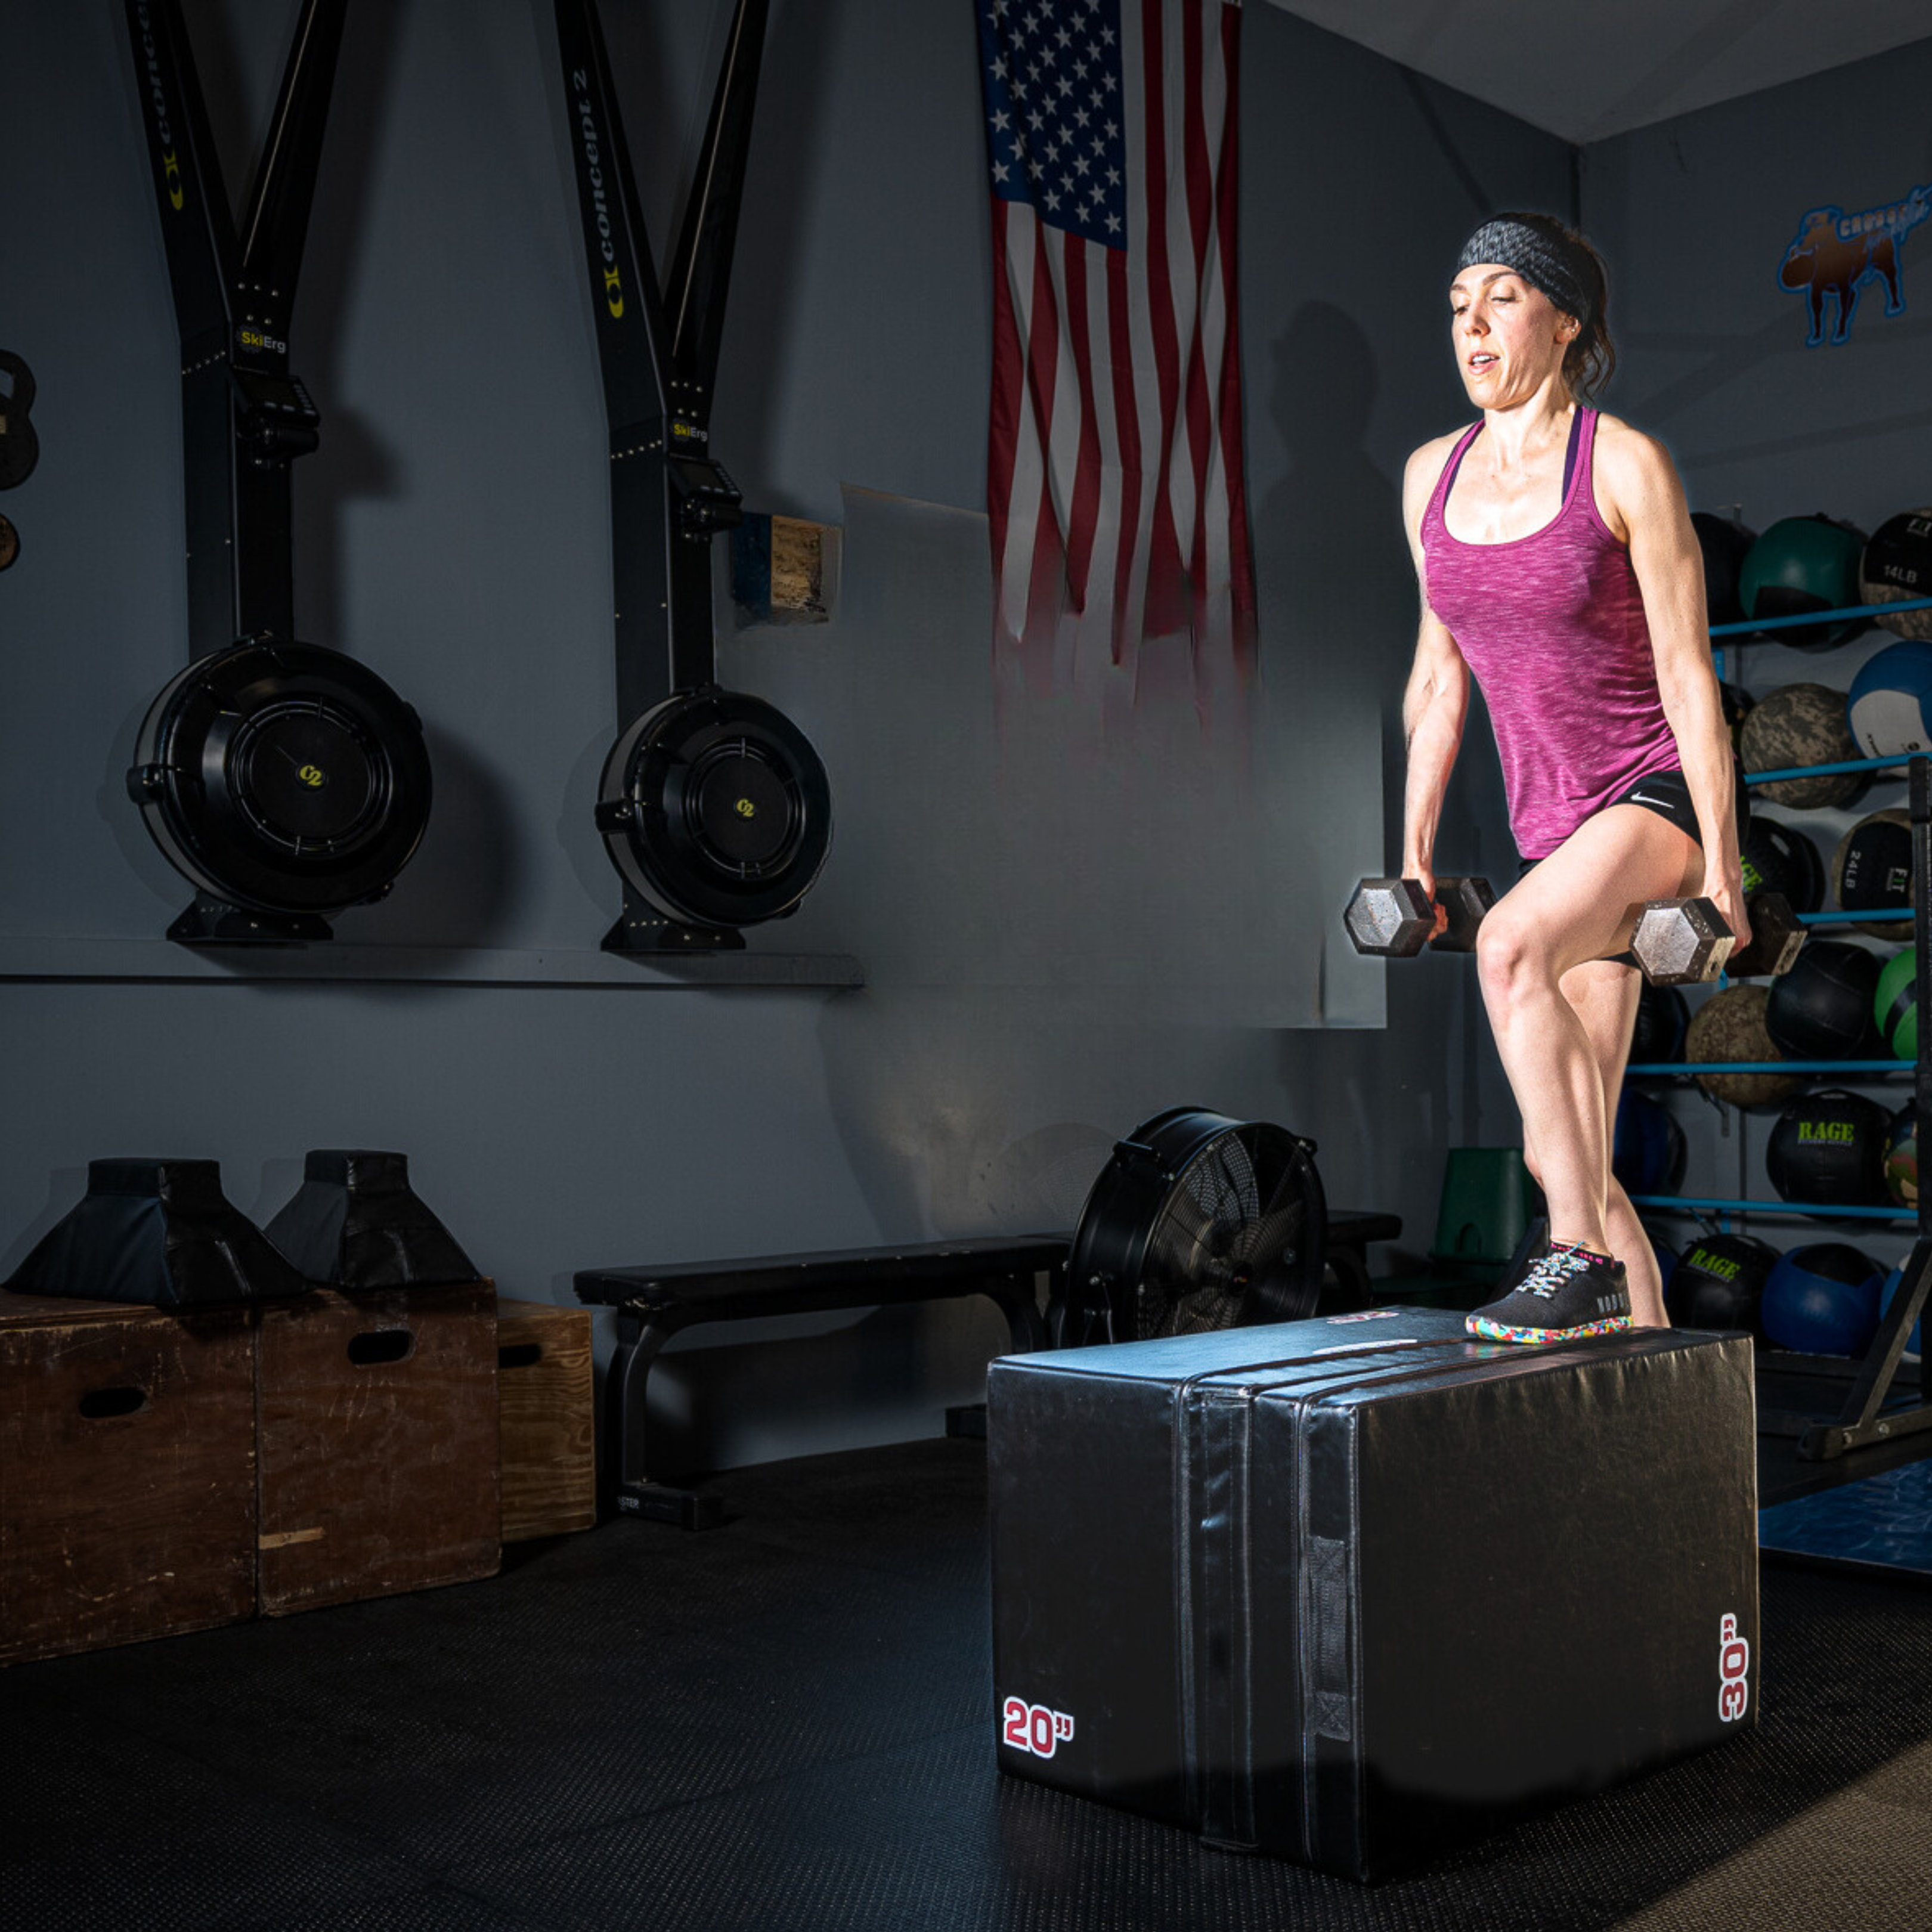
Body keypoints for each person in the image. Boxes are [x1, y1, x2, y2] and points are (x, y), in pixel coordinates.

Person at [1400, 212, 1750, 1344]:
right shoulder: (1429, 480)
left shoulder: (1624, 464)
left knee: (1508, 946)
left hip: (1651, 807)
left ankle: (1572, 1263)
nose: (1474, 325)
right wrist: (1410, 853)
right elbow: (1438, 681)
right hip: (1551, 835)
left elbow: (1693, 682)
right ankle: (1670, 1429)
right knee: (1581, 1163)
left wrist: (1727, 876)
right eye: (1459, 305)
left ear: (1565, 321)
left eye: (1501, 297)